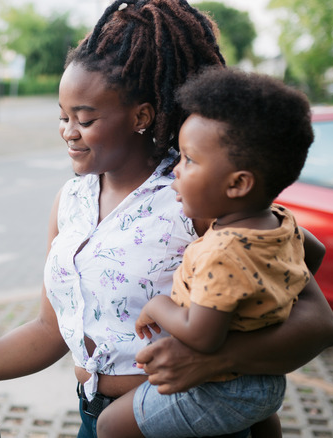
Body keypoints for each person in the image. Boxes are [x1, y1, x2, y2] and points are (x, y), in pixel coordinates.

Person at [0, 1, 333, 436]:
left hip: (183, 422)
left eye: (85, 118)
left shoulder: (196, 194)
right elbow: (51, 331)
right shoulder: (71, 200)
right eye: (63, 116)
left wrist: (215, 358)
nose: (68, 131)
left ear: (141, 116)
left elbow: (316, 323)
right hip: (96, 419)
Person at [93, 67, 315, 438]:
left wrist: (157, 307)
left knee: (111, 425)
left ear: (238, 184)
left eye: (189, 160)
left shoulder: (224, 251)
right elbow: (314, 257)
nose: (175, 171)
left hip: (221, 387)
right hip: (261, 378)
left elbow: (203, 336)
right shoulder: (278, 221)